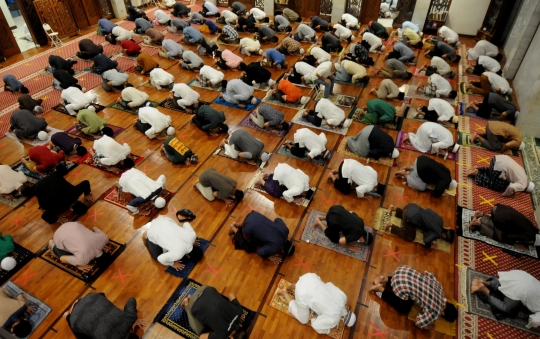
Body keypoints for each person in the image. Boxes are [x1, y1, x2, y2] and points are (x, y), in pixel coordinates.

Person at [369, 266, 458, 330]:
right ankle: (380, 289)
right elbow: (419, 322)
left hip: (403, 270)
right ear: (443, 314)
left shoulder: (440, 289)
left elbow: (429, 273)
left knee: (410, 284)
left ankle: (385, 279)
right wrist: (426, 325)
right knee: (404, 308)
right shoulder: (436, 313)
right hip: (400, 285)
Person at [276, 273, 356, 335]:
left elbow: (329, 284)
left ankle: (292, 285)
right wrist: (327, 330)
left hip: (310, 277)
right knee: (304, 320)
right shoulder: (334, 319)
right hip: (302, 293)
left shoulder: (344, 297)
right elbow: (316, 326)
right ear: (343, 321)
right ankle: (285, 293)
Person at [25, 165, 93, 223]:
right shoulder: (58, 208)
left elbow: (86, 182)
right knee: (43, 206)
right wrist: (57, 219)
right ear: (71, 209)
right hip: (38, 187)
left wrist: (87, 194)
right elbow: (45, 216)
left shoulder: (75, 193)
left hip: (51, 178)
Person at [65, 293, 147, 339]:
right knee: (76, 327)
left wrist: (134, 318)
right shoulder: (73, 321)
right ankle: (67, 316)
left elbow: (131, 300)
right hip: (76, 315)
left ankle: (68, 316)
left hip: (91, 298)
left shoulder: (130, 318)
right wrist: (70, 318)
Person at [471, 271, 540, 325]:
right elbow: (534, 321)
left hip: (519, 275)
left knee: (504, 286)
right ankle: (484, 290)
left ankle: (485, 282)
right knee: (507, 309)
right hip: (521, 291)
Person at [229, 210, 295, 263]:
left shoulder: (285, 230)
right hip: (247, 229)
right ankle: (234, 229)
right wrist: (269, 256)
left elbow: (277, 219)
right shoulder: (276, 247)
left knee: (254, 227)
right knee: (249, 248)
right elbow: (260, 252)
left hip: (254, 215)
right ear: (283, 251)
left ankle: (239, 224)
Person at [181, 285, 246, 338]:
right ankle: (187, 305)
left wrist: (237, 315)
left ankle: (193, 297)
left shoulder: (239, 311)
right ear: (232, 338)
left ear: (240, 326)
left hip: (204, 289)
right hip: (194, 303)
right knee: (200, 332)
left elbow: (231, 294)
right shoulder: (222, 335)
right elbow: (202, 337)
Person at [468, 204, 539, 250]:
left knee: (500, 227)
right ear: (532, 241)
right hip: (500, 219)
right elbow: (510, 237)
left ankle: (481, 214)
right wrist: (514, 242)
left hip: (497, 208)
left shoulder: (531, 226)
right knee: (500, 237)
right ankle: (478, 224)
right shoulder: (530, 236)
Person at [384, 204, 455, 247]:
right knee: (410, 237)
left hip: (411, 206)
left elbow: (428, 210)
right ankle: (390, 225)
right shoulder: (438, 233)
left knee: (410, 214)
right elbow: (426, 240)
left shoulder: (440, 220)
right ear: (444, 236)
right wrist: (430, 245)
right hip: (409, 216)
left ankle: (394, 208)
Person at [467, 154, 534, 197]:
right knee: (498, 186)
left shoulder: (524, 173)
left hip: (497, 158)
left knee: (492, 173)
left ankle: (478, 169)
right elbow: (511, 187)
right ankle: (477, 174)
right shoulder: (523, 185)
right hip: (500, 169)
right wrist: (507, 194)